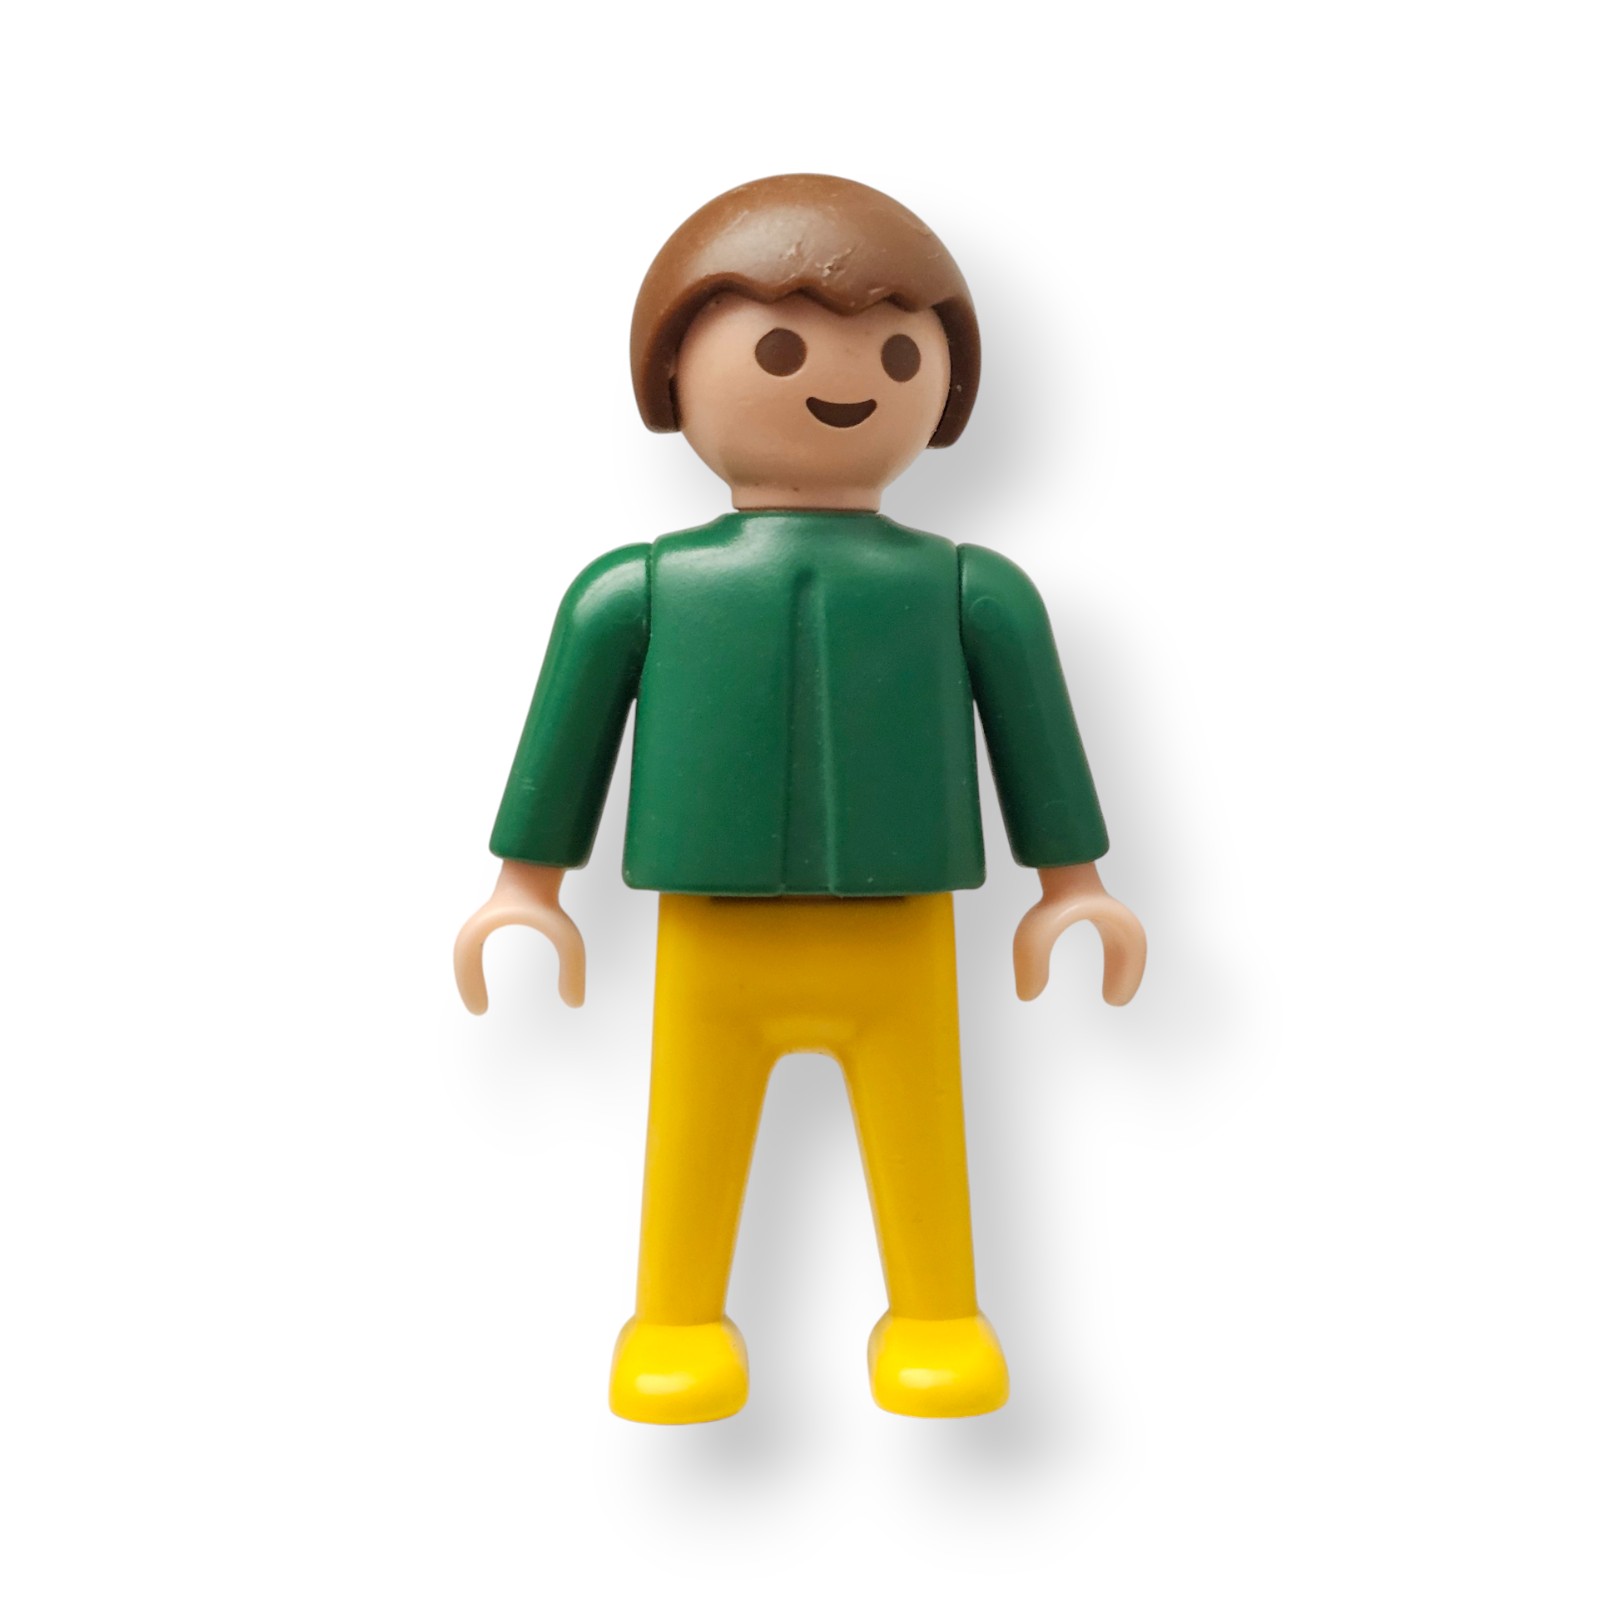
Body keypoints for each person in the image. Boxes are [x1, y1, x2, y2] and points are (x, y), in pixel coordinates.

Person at [454, 174, 1146, 1423]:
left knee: (920, 1127)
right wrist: (525, 886)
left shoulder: (971, 589)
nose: (846, 382)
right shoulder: (636, 589)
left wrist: (1073, 884)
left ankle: (936, 1312)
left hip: (900, 925)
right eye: (777, 350)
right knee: (695, 1129)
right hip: (713, 930)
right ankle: (676, 1320)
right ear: (673, 372)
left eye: (897, 352)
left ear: (945, 385)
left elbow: (1034, 732)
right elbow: (570, 730)